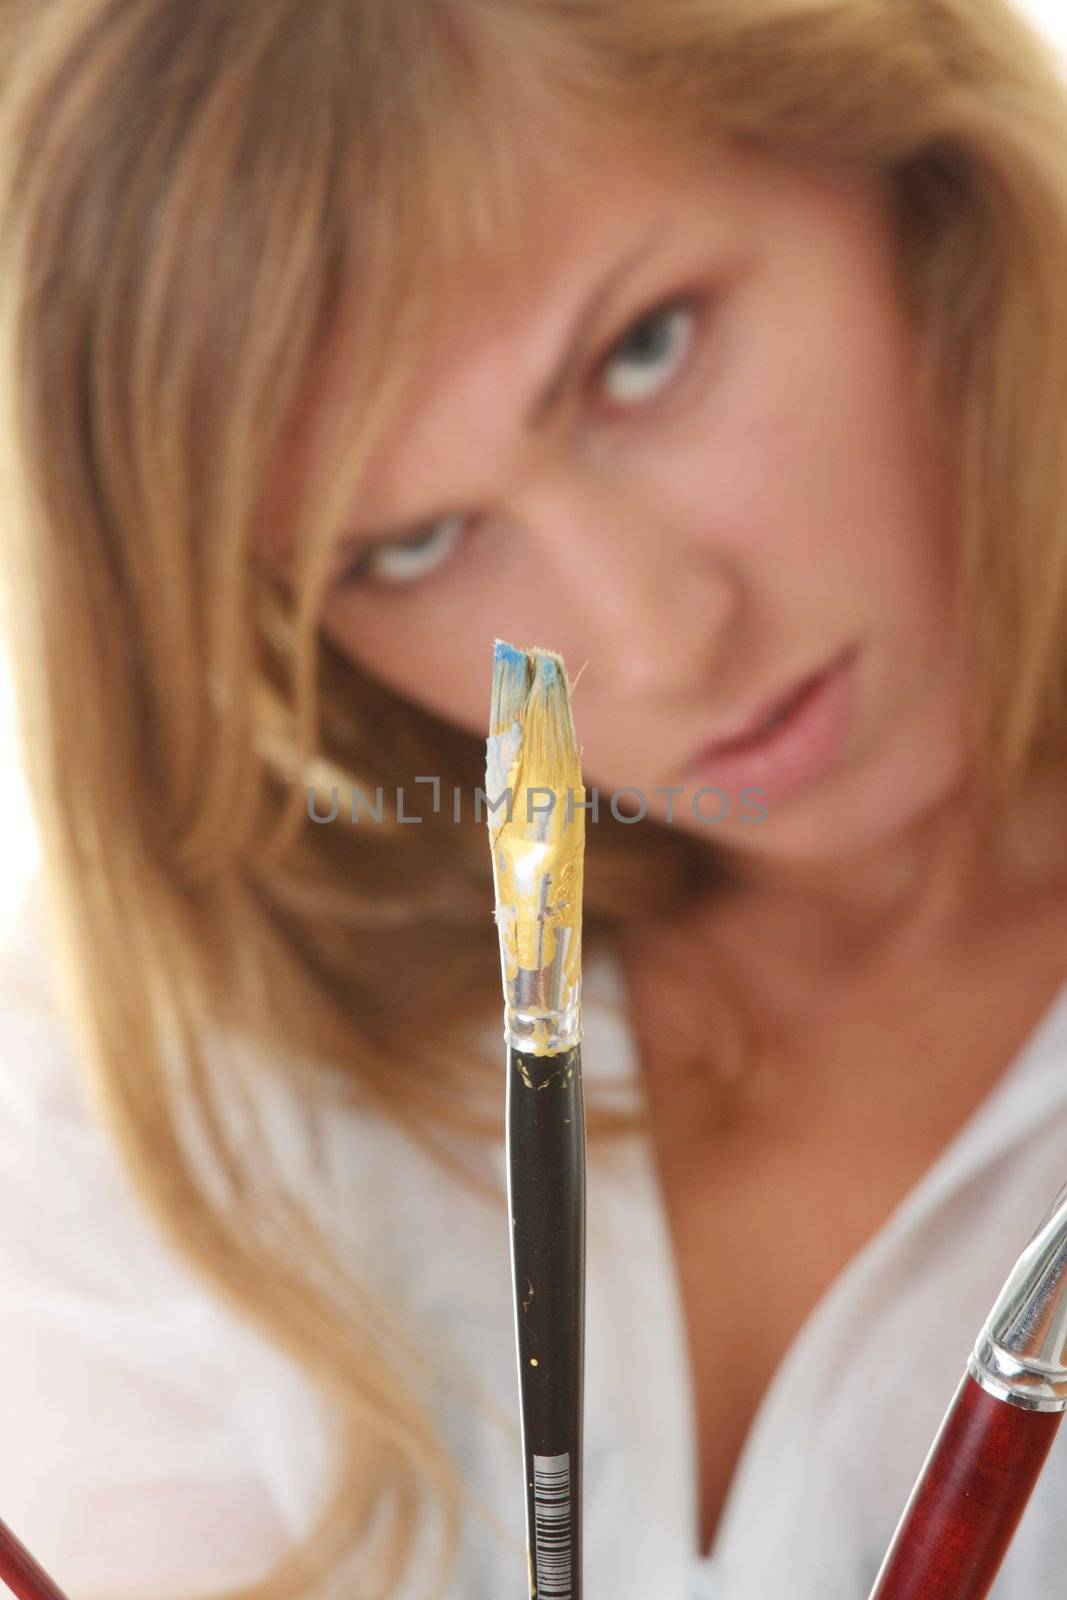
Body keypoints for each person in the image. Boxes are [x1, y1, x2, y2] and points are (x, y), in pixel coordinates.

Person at [1, 0, 1067, 1596]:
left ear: (906, 159)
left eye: (645, 353)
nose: (653, 639)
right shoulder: (176, 1105)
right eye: (412, 548)